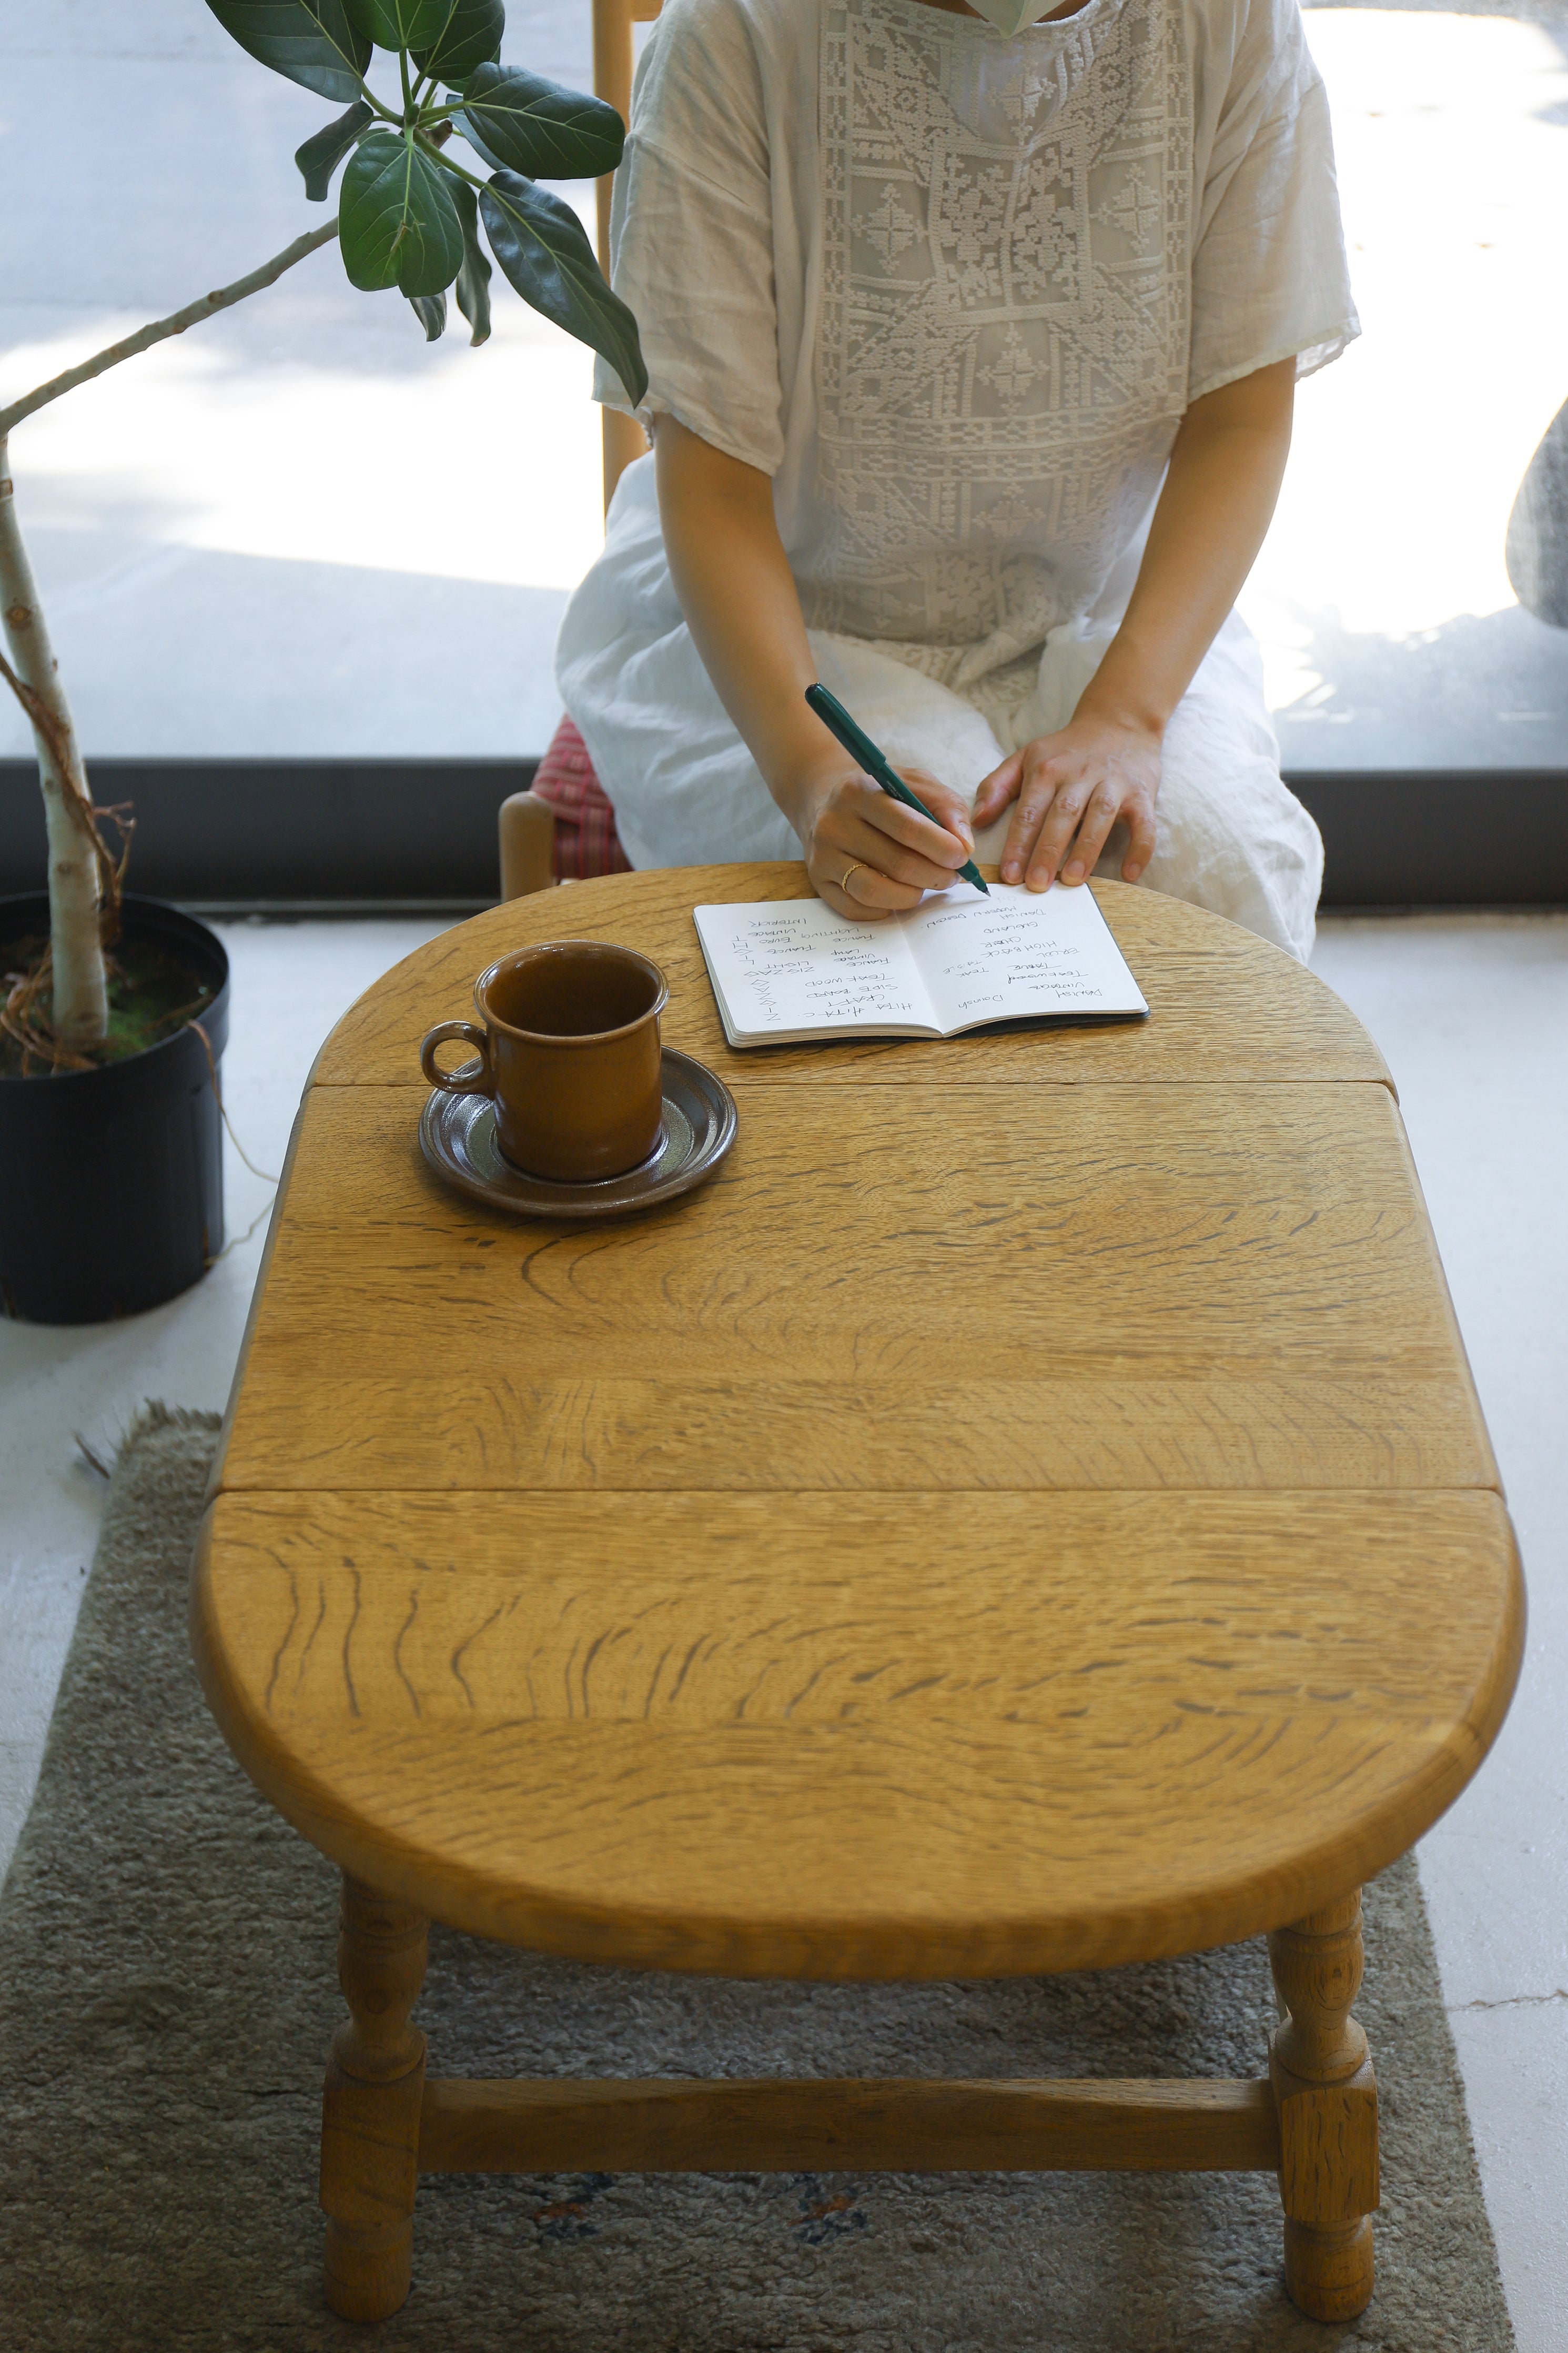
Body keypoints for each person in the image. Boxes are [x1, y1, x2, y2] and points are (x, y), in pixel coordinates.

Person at [555, 0, 1359, 960]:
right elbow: (713, 482)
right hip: (791, 625)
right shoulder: (735, 32)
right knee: (931, 895)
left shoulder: (1231, 21)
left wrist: (1126, 716)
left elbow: (1239, 416)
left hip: (1108, 612)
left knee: (1221, 876)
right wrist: (810, 774)